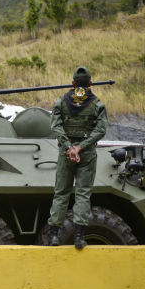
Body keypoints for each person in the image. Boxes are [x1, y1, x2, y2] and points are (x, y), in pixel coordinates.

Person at [47, 66, 107, 249]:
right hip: (86, 153)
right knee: (83, 194)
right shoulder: (97, 104)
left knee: (61, 194)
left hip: (66, 153)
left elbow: (55, 127)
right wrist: (80, 147)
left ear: (73, 83)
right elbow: (101, 130)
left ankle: (54, 236)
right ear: (90, 83)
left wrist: (68, 147)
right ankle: (79, 238)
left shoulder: (61, 102)